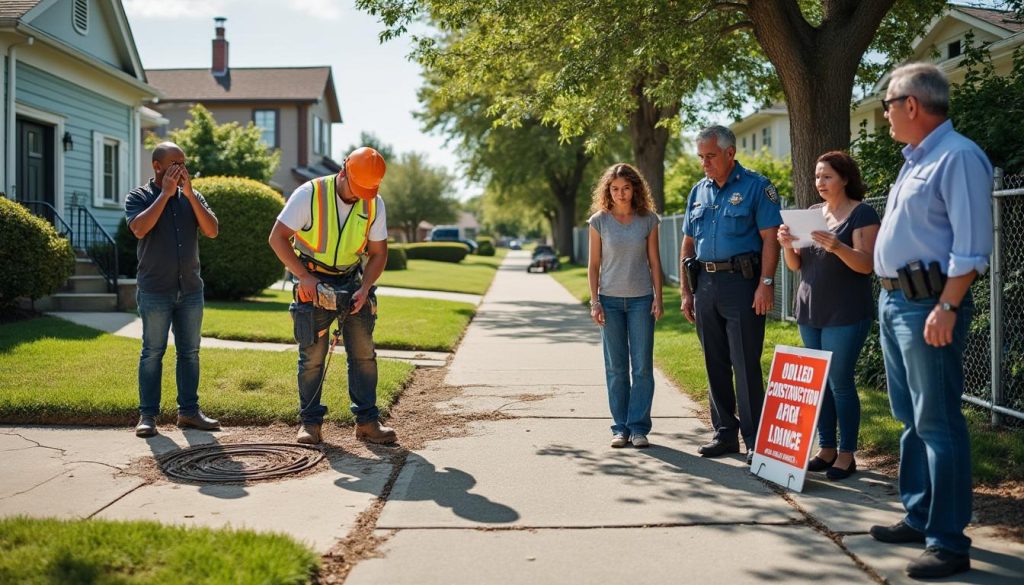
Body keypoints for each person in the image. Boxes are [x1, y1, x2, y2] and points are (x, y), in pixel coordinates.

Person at [868, 63, 992, 579]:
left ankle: (948, 541)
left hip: (929, 306)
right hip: (896, 302)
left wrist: (947, 306)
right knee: (910, 419)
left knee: (938, 422)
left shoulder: (958, 157)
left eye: (888, 106)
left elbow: (972, 247)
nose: (886, 115)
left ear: (911, 105)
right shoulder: (915, 159)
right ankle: (919, 516)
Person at [268, 147, 396, 445]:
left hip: (353, 280)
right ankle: (310, 424)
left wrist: (365, 287)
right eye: (359, 188)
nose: (363, 195)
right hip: (312, 278)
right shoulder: (309, 194)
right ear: (343, 172)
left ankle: (367, 422)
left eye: (369, 190)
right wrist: (303, 277)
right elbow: (277, 237)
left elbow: (378, 253)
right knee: (312, 357)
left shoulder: (374, 204)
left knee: (364, 355)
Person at [679, 125, 782, 465]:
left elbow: (770, 238)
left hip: (743, 284)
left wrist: (765, 283)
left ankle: (755, 438)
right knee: (715, 362)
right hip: (705, 284)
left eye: (710, 156)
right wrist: (686, 290)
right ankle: (724, 433)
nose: (704, 163)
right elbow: (688, 242)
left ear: (729, 153)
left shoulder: (757, 187)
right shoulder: (698, 190)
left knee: (745, 363)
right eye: (701, 157)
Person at [777, 151, 880, 481]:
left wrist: (837, 246)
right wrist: (787, 245)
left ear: (845, 179)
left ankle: (847, 454)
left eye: (827, 177)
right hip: (810, 309)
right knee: (818, 383)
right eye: (817, 176)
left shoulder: (862, 214)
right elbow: (796, 267)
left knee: (840, 382)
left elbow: (867, 265)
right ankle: (826, 449)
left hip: (846, 311)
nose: (819, 182)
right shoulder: (810, 214)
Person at [125, 142, 220, 438]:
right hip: (155, 290)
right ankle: (148, 416)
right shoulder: (139, 196)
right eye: (175, 162)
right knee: (152, 353)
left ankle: (189, 412)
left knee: (189, 353)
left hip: (190, 290)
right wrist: (166, 195)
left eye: (184, 162)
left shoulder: (192, 196)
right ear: (157, 166)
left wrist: (189, 195)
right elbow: (139, 229)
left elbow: (212, 230)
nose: (182, 168)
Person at [587, 163, 664, 448]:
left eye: (626, 188)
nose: (620, 194)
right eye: (615, 189)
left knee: (642, 367)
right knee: (616, 368)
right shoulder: (599, 221)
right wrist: (595, 302)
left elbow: (655, 261)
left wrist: (658, 296)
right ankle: (620, 428)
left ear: (635, 189)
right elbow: (593, 265)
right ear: (608, 190)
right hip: (609, 301)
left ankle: (639, 427)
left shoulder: (648, 220)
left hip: (641, 300)